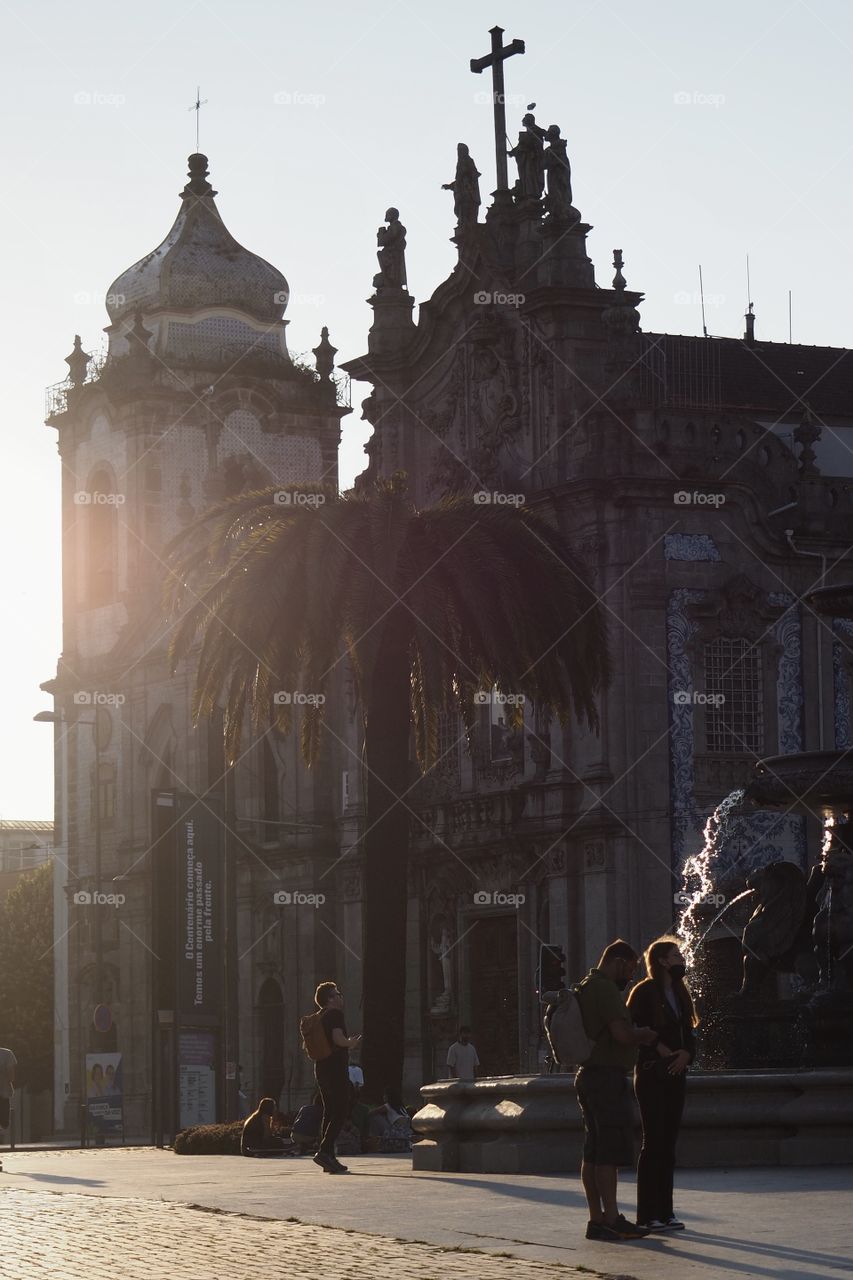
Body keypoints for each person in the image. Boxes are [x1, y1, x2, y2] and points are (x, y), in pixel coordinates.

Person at [574, 940, 658, 1242]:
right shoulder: (606, 988)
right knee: (608, 1152)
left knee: (593, 1151)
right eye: (631, 969)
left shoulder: (585, 985)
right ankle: (612, 1219)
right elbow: (621, 1034)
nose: (631, 976)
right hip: (606, 1078)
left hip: (588, 1076)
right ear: (620, 962)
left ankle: (596, 1218)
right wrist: (643, 1035)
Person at [627, 936, 698, 1232]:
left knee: (668, 1144)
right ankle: (647, 1214)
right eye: (675, 954)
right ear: (661, 961)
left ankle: (666, 1212)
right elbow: (632, 1028)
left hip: (675, 1074)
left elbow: (689, 1033)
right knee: (653, 1142)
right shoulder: (643, 992)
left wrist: (687, 1055)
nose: (680, 958)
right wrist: (658, 1046)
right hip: (651, 1074)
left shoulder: (681, 992)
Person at [312, 981, 361, 1174]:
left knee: (329, 1111)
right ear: (330, 999)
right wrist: (352, 1043)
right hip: (335, 1070)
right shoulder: (335, 1015)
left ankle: (329, 1157)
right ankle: (324, 1152)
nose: (341, 996)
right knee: (340, 1111)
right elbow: (337, 1039)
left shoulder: (320, 1016)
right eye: (337, 993)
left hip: (322, 1069)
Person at [368, 1087, 413, 1152]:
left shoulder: (387, 1106)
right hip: (406, 1132)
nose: (383, 1097)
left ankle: (374, 1139)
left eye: (385, 1095)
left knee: (375, 1117)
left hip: (395, 1132)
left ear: (388, 1096)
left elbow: (371, 1113)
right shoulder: (402, 1107)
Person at [0, 1044, 16, 1163]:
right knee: (3, 1123)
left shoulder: (7, 1053)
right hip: (3, 1094)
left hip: (3, 1093)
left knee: (3, 1123)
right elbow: (11, 1075)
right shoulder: (7, 1054)